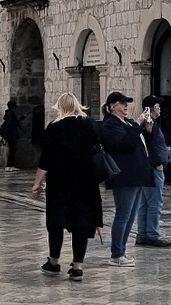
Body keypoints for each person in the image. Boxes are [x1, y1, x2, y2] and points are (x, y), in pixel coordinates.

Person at [30, 92, 103, 282]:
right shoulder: (90, 124)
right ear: (78, 105)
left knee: (56, 222)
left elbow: (45, 159)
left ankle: (53, 262)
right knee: (81, 223)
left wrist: (37, 184)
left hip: (59, 182)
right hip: (85, 182)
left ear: (60, 107)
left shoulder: (54, 128)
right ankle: (77, 267)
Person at [99, 91, 155, 267]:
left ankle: (121, 251)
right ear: (111, 107)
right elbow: (124, 143)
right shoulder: (109, 125)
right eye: (122, 103)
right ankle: (116, 254)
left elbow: (139, 139)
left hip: (136, 174)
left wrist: (147, 128)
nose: (126, 106)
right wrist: (138, 124)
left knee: (131, 215)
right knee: (123, 214)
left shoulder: (128, 122)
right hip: (124, 175)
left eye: (126, 103)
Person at [135, 95, 171, 248]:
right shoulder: (148, 124)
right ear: (150, 109)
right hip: (153, 169)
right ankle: (152, 234)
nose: (160, 109)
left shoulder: (152, 124)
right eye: (157, 107)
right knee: (155, 204)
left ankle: (142, 235)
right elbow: (148, 136)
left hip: (147, 169)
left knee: (144, 203)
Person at [0, 100, 24, 170]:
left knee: (12, 150)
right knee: (12, 150)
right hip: (11, 135)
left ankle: (10, 165)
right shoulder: (11, 114)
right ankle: (10, 166)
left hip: (9, 135)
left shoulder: (8, 113)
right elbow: (11, 124)